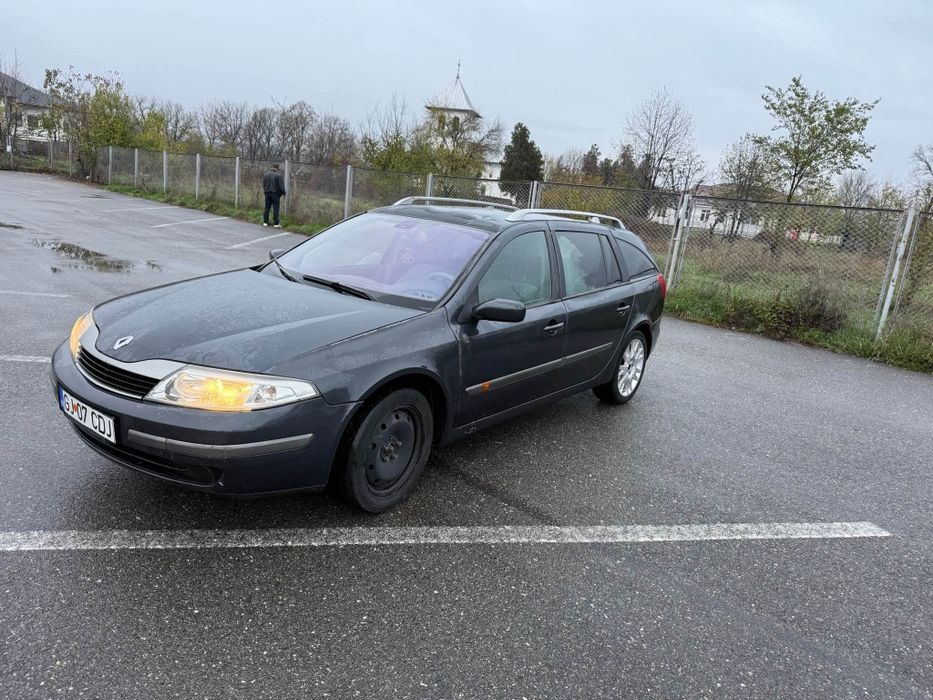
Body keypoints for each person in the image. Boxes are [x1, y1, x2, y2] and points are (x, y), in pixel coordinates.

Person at [262, 163, 287, 228]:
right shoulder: (279, 175)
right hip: (275, 194)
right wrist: (284, 193)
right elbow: (281, 186)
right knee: (276, 208)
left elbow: (264, 185)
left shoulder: (266, 175)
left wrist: (265, 191)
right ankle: (276, 223)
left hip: (267, 193)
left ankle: (265, 222)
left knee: (267, 208)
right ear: (277, 169)